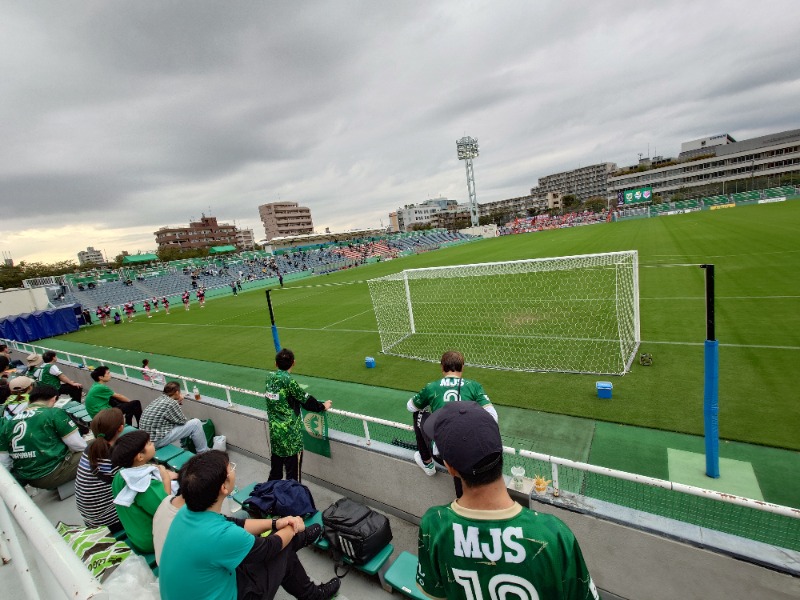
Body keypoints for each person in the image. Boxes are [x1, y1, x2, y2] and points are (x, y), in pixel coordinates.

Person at [417, 402, 599, 600]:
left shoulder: (433, 524)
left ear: (450, 467)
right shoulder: (554, 534)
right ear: (499, 452)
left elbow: (436, 594)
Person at [158, 450, 339, 600]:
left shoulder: (187, 512)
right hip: (232, 593)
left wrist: (276, 522)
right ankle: (314, 593)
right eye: (231, 468)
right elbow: (271, 547)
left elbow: (235, 522)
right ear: (224, 487)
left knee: (281, 539)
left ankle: (301, 538)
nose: (233, 470)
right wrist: (292, 527)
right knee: (284, 548)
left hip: (209, 586)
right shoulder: (220, 536)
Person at [407, 350, 496, 486]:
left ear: (442, 367)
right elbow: (492, 417)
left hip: (442, 455)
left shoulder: (432, 387)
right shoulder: (474, 386)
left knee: (419, 413)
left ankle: (427, 463)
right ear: (463, 367)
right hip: (472, 454)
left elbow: (411, 407)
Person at [0, 384, 87, 489]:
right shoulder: (53, 413)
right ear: (54, 399)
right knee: (99, 449)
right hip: (52, 472)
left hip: (29, 478)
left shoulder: (7, 424)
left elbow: (5, 462)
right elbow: (78, 445)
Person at [264, 348, 331, 482]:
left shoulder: (269, 378)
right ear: (293, 363)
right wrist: (323, 406)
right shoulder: (289, 382)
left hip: (275, 435)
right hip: (291, 438)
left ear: (275, 364)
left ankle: (270, 498)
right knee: (293, 479)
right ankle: (293, 501)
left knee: (275, 474)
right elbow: (306, 400)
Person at [111, 429, 176, 553]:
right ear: (140, 456)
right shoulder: (144, 486)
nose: (152, 443)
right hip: (151, 541)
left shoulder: (120, 476)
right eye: (149, 443)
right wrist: (165, 478)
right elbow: (166, 509)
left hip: (135, 535)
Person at [75, 408, 125, 532]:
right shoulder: (113, 457)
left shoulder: (90, 449)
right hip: (109, 522)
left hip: (91, 519)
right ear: (120, 428)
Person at [139, 381, 208, 452]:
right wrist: (179, 401)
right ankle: (203, 452)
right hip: (155, 442)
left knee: (176, 423)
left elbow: (168, 412)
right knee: (196, 423)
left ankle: (185, 446)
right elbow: (182, 421)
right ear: (177, 392)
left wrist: (177, 402)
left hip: (145, 440)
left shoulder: (159, 399)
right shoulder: (172, 403)